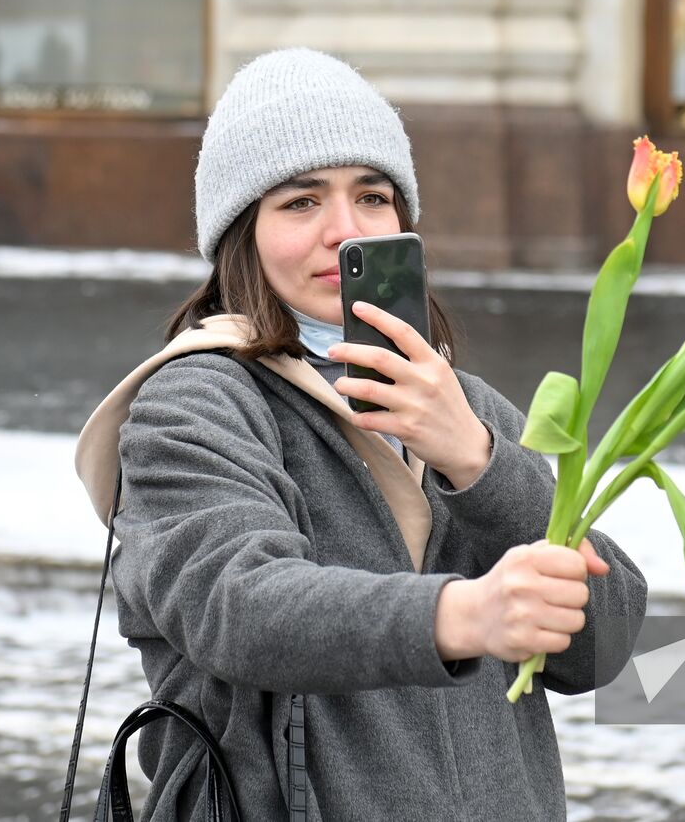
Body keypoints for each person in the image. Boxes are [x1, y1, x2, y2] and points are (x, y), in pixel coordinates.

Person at [99, 49, 648, 819]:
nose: (345, 232)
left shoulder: (466, 410)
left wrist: (478, 462)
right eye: (300, 202)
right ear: (240, 234)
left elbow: (610, 640)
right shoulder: (193, 405)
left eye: (373, 196)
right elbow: (239, 607)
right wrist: (464, 614)